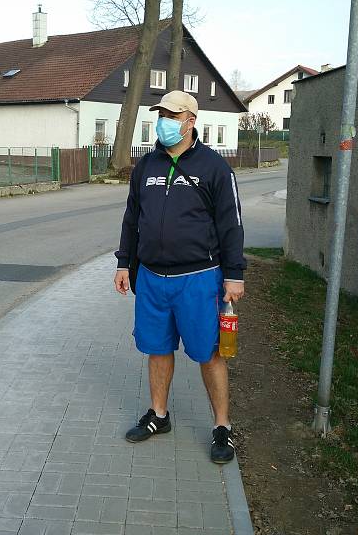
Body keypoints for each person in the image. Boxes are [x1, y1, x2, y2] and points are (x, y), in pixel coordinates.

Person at [114, 90, 246, 463]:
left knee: (209, 354)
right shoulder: (146, 166)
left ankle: (222, 427)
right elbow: (131, 218)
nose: (164, 122)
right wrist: (124, 263)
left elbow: (231, 224)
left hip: (200, 279)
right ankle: (159, 415)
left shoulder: (215, 168)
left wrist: (234, 275)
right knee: (157, 350)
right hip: (152, 278)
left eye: (172, 116)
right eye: (161, 115)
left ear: (190, 121)